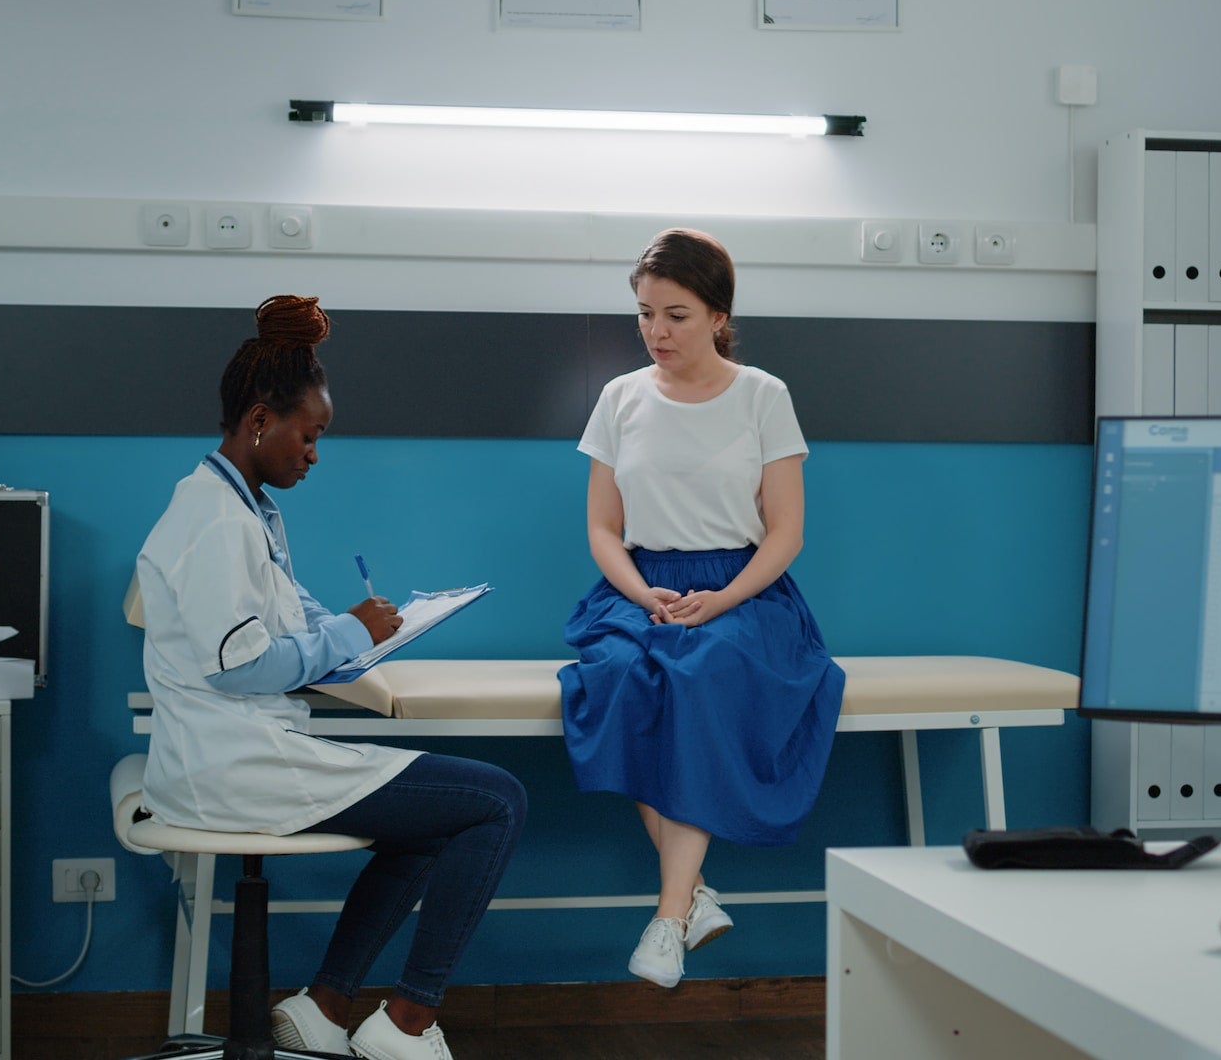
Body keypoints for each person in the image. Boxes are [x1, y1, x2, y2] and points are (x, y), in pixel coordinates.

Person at [136, 295, 526, 1060]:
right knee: (495, 802)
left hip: (246, 750)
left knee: (440, 819)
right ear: (259, 422)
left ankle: (325, 1007)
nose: (314, 453)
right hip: (231, 764)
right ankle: (407, 1023)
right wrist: (350, 631)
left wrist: (368, 631)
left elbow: (289, 624)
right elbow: (245, 665)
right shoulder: (213, 520)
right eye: (308, 435)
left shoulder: (245, 511)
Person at [558, 229, 845, 989]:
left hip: (745, 591)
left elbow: (786, 531)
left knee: (701, 671)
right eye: (645, 313)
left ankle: (664, 916)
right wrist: (640, 592)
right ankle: (692, 897)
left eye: (676, 315)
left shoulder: (763, 396)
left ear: (719, 315)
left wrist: (722, 598)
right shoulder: (620, 397)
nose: (657, 331)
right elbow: (601, 528)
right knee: (620, 674)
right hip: (641, 586)